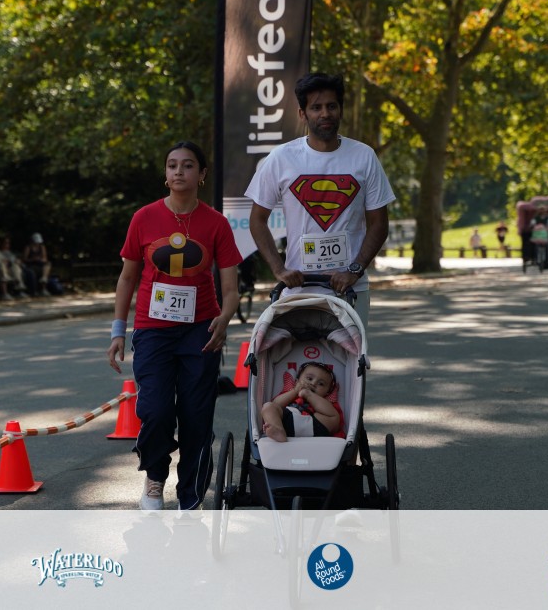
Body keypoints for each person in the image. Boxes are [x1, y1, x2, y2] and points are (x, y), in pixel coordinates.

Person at [107, 141, 242, 512]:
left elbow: (231, 289)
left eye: (187, 165)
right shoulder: (144, 218)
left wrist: (224, 318)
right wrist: (118, 331)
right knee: (155, 410)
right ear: (165, 175)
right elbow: (127, 278)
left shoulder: (216, 223)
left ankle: (191, 496)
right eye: (172, 165)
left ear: (202, 174)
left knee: (196, 416)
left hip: (201, 331)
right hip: (152, 330)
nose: (178, 171)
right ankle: (154, 477)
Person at [245, 72, 396, 328]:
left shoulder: (364, 156)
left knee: (352, 354)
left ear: (341, 110)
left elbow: (379, 223)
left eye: (331, 106)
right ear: (302, 113)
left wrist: (355, 270)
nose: (325, 113)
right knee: (297, 355)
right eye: (316, 108)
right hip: (298, 289)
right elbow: (257, 220)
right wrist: (279, 270)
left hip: (351, 288)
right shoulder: (281, 158)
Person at [261, 361, 345, 442]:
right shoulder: (290, 394)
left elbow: (336, 424)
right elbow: (276, 404)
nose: (313, 383)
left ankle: (279, 432)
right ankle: (278, 430)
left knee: (334, 418)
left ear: (327, 392)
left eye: (321, 384)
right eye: (309, 378)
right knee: (268, 406)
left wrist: (308, 395)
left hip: (316, 426)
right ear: (297, 382)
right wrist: (295, 391)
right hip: (287, 423)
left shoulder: (325, 402)